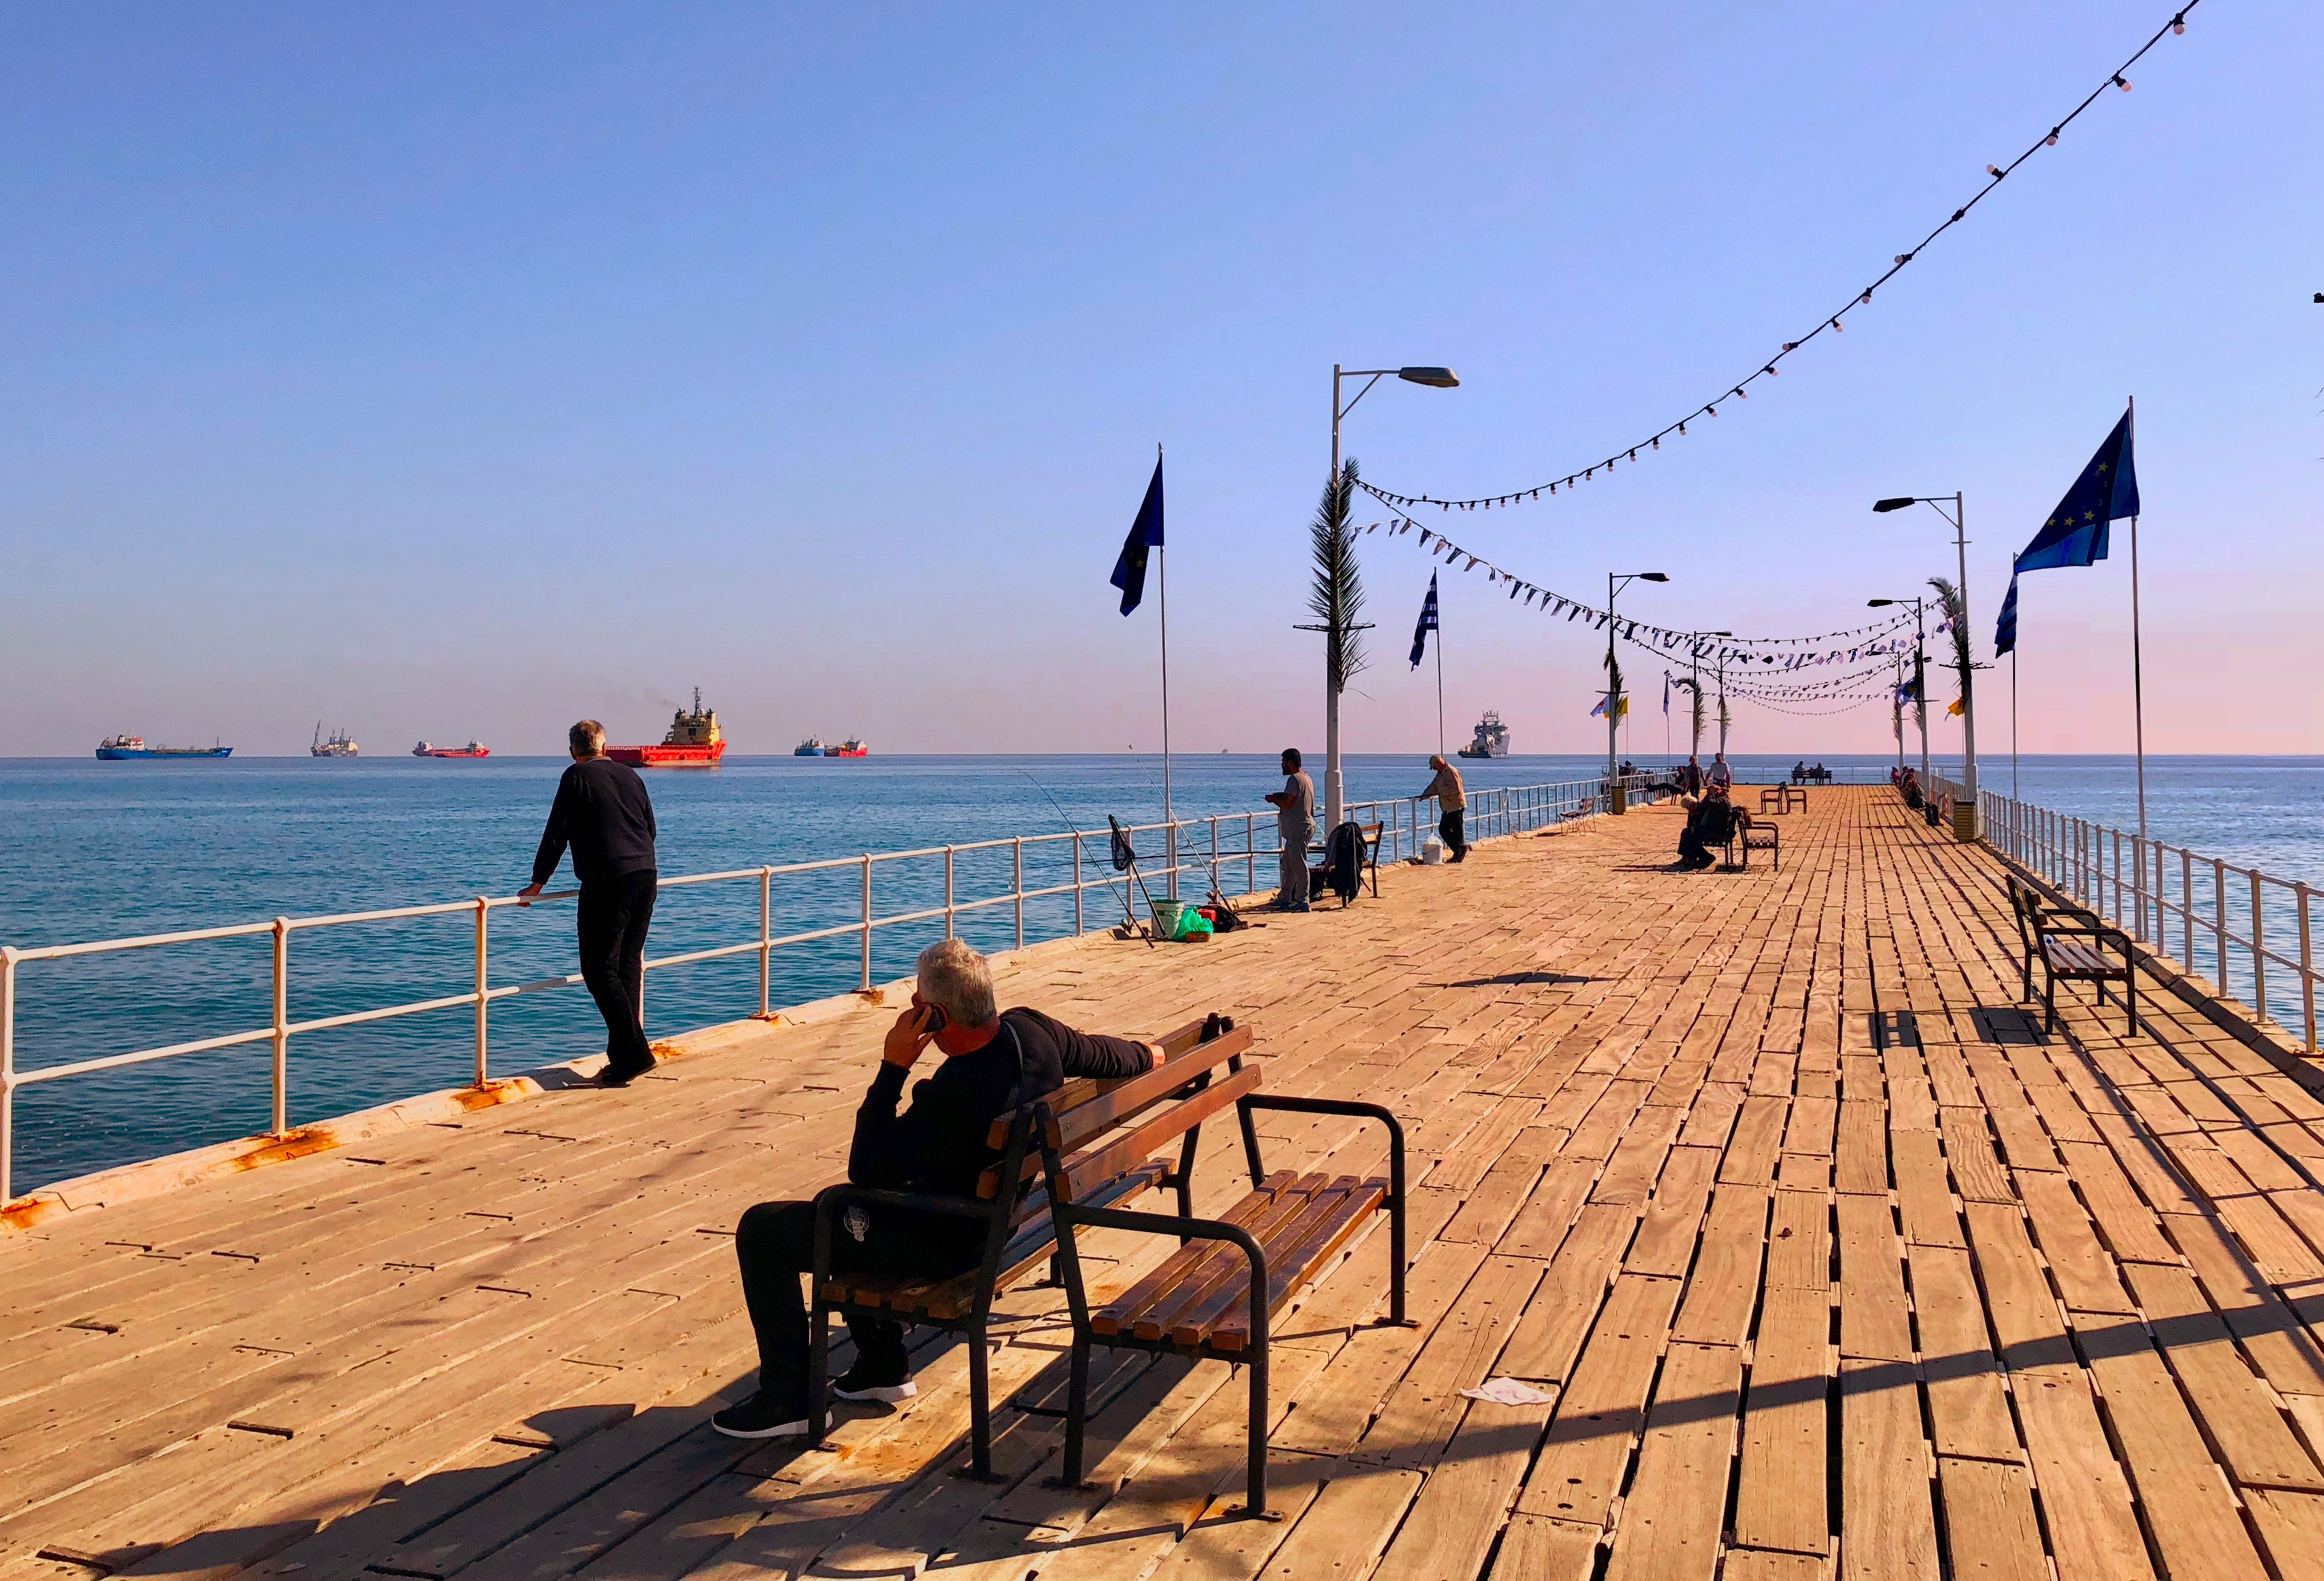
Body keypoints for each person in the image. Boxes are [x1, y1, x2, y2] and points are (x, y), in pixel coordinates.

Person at [713, 939, 1164, 1439]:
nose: (910, 1008)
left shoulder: (953, 1097)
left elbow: (865, 1168)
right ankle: (880, 1369)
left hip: (953, 1242)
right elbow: (1104, 1054)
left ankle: (789, 1398)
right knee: (834, 1208)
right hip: (999, 1217)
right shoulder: (1033, 1031)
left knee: (767, 1227)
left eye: (917, 1001)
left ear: (935, 1015)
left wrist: (893, 1069)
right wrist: (1152, 1054)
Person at [518, 720, 659, 1087]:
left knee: (598, 970)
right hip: (645, 875)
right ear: (605, 746)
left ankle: (637, 1053)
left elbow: (556, 832)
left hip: (608, 882)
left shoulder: (575, 778)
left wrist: (538, 882)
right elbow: (650, 826)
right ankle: (623, 1061)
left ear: (573, 752)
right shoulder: (631, 776)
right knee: (626, 965)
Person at [1264, 748, 1316, 911]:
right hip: (1300, 828)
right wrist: (1280, 796)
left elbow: (1288, 802)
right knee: (1288, 864)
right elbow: (1293, 797)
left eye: (1283, 762)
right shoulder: (1306, 777)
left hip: (1299, 829)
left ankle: (1303, 901)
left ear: (1290, 762)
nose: (1282, 765)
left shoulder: (1295, 779)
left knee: (1300, 865)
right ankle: (1285, 897)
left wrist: (1274, 800)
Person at [1676, 784, 1740, 871]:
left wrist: (1711, 793)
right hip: (1717, 830)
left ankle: (1703, 858)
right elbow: (1706, 804)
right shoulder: (1721, 800)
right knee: (1687, 832)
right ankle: (1690, 858)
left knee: (1692, 835)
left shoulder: (1723, 801)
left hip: (1719, 833)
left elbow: (1707, 803)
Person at [1416, 754, 1468, 862]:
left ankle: (1459, 851)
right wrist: (1424, 796)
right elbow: (1433, 787)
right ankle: (1459, 851)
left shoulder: (1451, 772)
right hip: (1448, 807)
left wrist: (1441, 791)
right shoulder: (1441, 774)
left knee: (1451, 831)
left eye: (1434, 766)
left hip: (1455, 806)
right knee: (1445, 830)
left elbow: (1456, 789)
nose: (1434, 769)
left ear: (1439, 763)